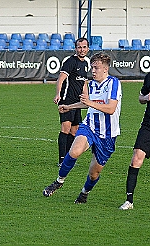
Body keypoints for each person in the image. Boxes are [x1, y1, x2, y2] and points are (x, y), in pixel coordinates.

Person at [43, 52, 122, 204]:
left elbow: (111, 108)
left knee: (94, 173)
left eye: (96, 68)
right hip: (90, 126)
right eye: (92, 67)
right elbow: (86, 103)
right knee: (74, 151)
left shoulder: (114, 83)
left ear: (105, 69)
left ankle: (84, 193)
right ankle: (58, 181)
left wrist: (90, 102)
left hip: (107, 134)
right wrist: (69, 107)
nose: (93, 70)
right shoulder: (90, 84)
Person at [119, 51, 150, 210]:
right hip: (149, 127)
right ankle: (129, 201)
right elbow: (140, 98)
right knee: (136, 158)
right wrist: (146, 97)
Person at [53, 37, 89, 166]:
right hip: (67, 100)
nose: (82, 50)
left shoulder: (85, 64)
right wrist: (58, 94)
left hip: (77, 102)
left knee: (74, 131)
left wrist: (87, 98)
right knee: (66, 128)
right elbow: (61, 78)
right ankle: (62, 160)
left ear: (88, 49)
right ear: (76, 48)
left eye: (84, 47)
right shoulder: (70, 62)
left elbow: (84, 82)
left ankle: (68, 158)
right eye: (79, 47)